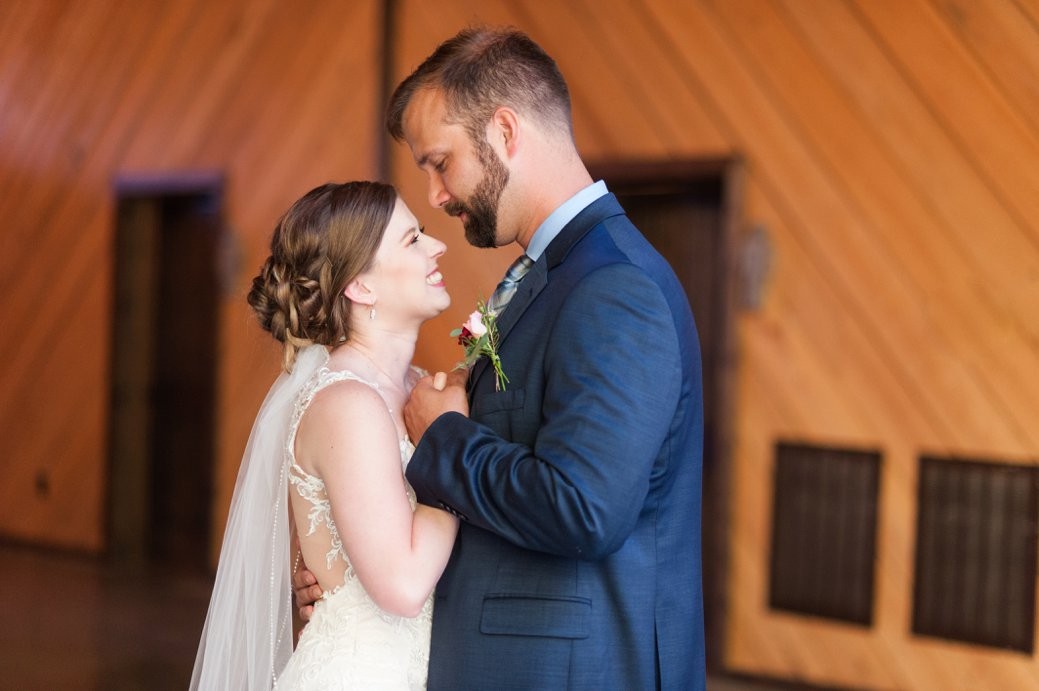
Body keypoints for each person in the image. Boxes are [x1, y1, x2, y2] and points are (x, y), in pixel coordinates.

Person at [296, 27, 707, 689]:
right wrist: (347, 575)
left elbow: (583, 508)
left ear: (505, 132)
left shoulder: (613, 288)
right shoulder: (545, 278)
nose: (435, 194)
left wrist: (444, 436)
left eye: (440, 162)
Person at [190, 181, 459, 690]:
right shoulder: (348, 404)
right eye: (413, 239)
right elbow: (403, 586)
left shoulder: (422, 388)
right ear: (361, 287)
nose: (438, 245)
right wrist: (451, 444)